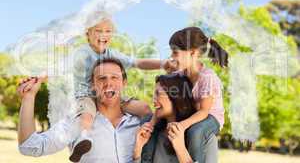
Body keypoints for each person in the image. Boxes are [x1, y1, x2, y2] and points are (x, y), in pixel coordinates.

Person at [70, 13, 170, 161]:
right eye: (98, 31)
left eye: (108, 31)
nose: (103, 35)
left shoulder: (112, 54)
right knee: (87, 115)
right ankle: (82, 140)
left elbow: (137, 63)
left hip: (111, 96)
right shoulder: (82, 54)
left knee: (144, 109)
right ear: (87, 34)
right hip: (88, 97)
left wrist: (162, 64)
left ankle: (148, 148)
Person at [18, 58, 146, 162]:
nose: (108, 83)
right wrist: (29, 98)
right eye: (102, 78)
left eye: (115, 77)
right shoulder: (77, 122)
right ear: (92, 85)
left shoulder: (139, 124)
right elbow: (30, 146)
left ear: (124, 83)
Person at [163, 26, 229, 162]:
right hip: (195, 113)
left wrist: (182, 125)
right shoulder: (181, 74)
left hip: (212, 117)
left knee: (195, 132)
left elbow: (204, 112)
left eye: (175, 53)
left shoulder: (207, 77)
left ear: (192, 53)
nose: (172, 56)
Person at [133, 73, 218, 163]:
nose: (153, 99)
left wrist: (181, 150)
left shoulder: (206, 138)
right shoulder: (153, 135)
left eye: (158, 94)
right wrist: (137, 152)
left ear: (176, 97)